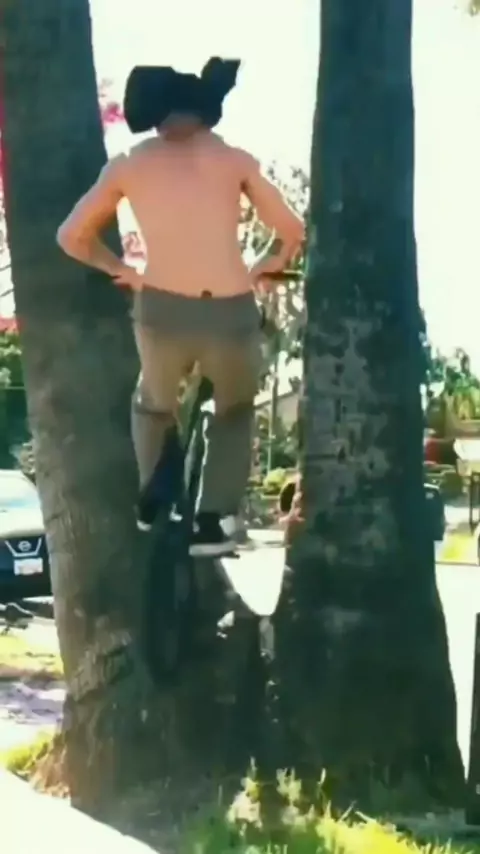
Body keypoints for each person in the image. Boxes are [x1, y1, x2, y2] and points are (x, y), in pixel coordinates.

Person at [56, 57, 304, 557]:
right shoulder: (234, 160)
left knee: (152, 405)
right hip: (228, 308)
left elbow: (71, 236)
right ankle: (214, 520)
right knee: (233, 409)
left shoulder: (130, 163)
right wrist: (266, 264)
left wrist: (121, 270)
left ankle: (154, 496)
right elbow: (292, 230)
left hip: (162, 307)